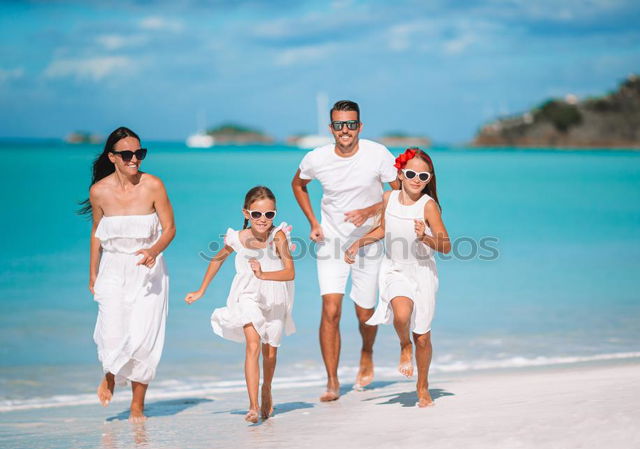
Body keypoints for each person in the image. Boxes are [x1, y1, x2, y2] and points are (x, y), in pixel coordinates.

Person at [291, 100, 400, 402]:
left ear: (360, 127)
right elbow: (298, 185)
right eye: (339, 125)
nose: (345, 130)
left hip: (370, 241)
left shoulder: (377, 154)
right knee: (331, 309)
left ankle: (367, 352)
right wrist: (313, 221)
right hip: (332, 241)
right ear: (331, 129)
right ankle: (332, 381)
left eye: (351, 124)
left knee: (365, 312)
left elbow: (399, 191)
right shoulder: (317, 158)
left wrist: (369, 211)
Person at [80, 126, 175, 423]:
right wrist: (92, 273)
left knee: (144, 337)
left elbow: (170, 228)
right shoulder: (99, 191)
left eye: (139, 153)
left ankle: (137, 407)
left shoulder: (153, 185)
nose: (134, 159)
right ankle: (109, 373)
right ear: (112, 157)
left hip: (149, 270)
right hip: (112, 268)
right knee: (112, 330)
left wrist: (153, 251)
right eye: (127, 154)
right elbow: (97, 233)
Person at [345, 148, 450, 407]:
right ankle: (404, 346)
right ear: (400, 174)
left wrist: (424, 236)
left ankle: (422, 387)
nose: (417, 179)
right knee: (401, 315)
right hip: (394, 269)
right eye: (411, 173)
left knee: (422, 336)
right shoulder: (389, 197)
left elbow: (446, 245)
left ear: (429, 179)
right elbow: (382, 228)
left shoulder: (428, 206)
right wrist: (358, 243)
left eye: (423, 176)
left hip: (422, 272)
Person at [185, 186, 295, 423]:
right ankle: (253, 405)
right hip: (246, 294)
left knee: (270, 352)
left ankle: (267, 388)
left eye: (269, 214)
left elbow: (289, 272)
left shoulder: (278, 236)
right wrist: (201, 290)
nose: (263, 219)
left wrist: (264, 274)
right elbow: (218, 259)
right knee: (253, 345)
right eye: (257, 214)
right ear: (246, 213)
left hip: (275, 294)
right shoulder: (237, 237)